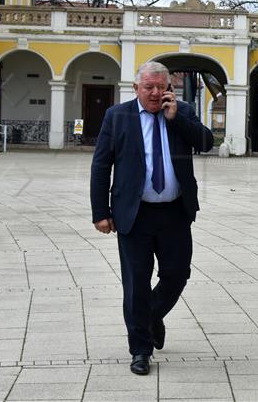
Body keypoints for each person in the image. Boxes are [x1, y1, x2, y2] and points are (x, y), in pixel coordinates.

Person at [90, 61, 213, 375]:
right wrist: (100, 212)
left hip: (174, 211)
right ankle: (140, 350)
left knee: (177, 274)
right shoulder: (117, 116)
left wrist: (176, 121)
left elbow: (206, 143)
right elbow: (101, 165)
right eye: (150, 87)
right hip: (135, 214)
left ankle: (150, 317)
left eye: (162, 87)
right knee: (136, 284)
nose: (157, 93)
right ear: (136, 89)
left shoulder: (182, 112)